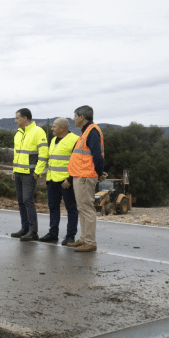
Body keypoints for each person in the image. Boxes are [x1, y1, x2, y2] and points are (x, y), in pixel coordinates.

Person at [66, 105, 105, 252]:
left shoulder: (92, 131)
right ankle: (84, 239)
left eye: (75, 116)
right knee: (82, 208)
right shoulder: (86, 131)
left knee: (87, 209)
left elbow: (97, 156)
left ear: (82, 117)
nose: (73, 119)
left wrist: (98, 172)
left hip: (85, 176)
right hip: (81, 175)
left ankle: (90, 242)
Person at [38, 118, 79, 245]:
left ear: (62, 128)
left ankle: (70, 236)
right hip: (52, 180)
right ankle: (53, 233)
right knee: (53, 207)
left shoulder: (75, 140)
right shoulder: (53, 140)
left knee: (71, 208)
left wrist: (70, 179)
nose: (52, 128)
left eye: (54, 126)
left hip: (66, 181)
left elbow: (78, 161)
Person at [10, 108, 48, 241]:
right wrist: (14, 170)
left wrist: (37, 172)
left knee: (27, 200)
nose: (15, 121)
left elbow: (43, 154)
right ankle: (25, 228)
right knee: (21, 201)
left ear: (25, 118)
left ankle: (33, 231)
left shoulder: (38, 131)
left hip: (29, 174)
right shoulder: (18, 134)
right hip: (18, 173)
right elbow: (16, 154)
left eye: (17, 118)